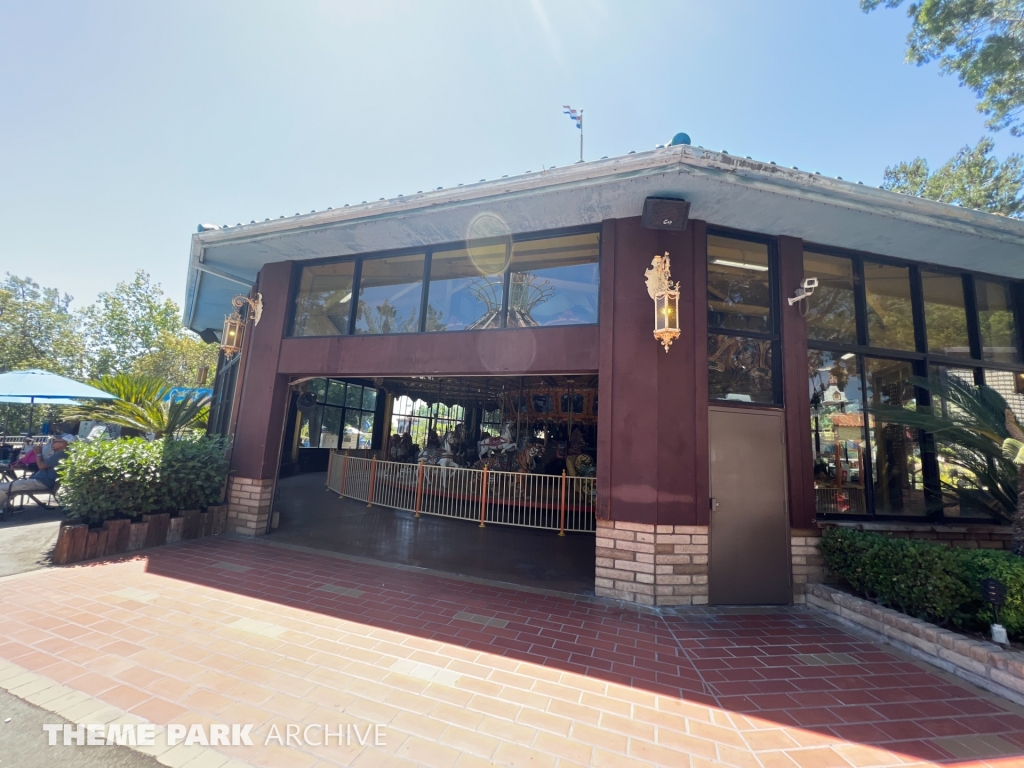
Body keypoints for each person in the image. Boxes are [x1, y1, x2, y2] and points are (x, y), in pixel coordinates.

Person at [0, 437, 68, 512]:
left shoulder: (61, 455)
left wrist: (38, 454)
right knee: (6, 486)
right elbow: (40, 465)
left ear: (63, 444)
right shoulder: (58, 454)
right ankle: (6, 507)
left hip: (42, 482)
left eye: (55, 441)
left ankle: (4, 508)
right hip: (38, 480)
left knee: (4, 487)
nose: (52, 443)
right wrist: (24, 465)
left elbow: (41, 466)